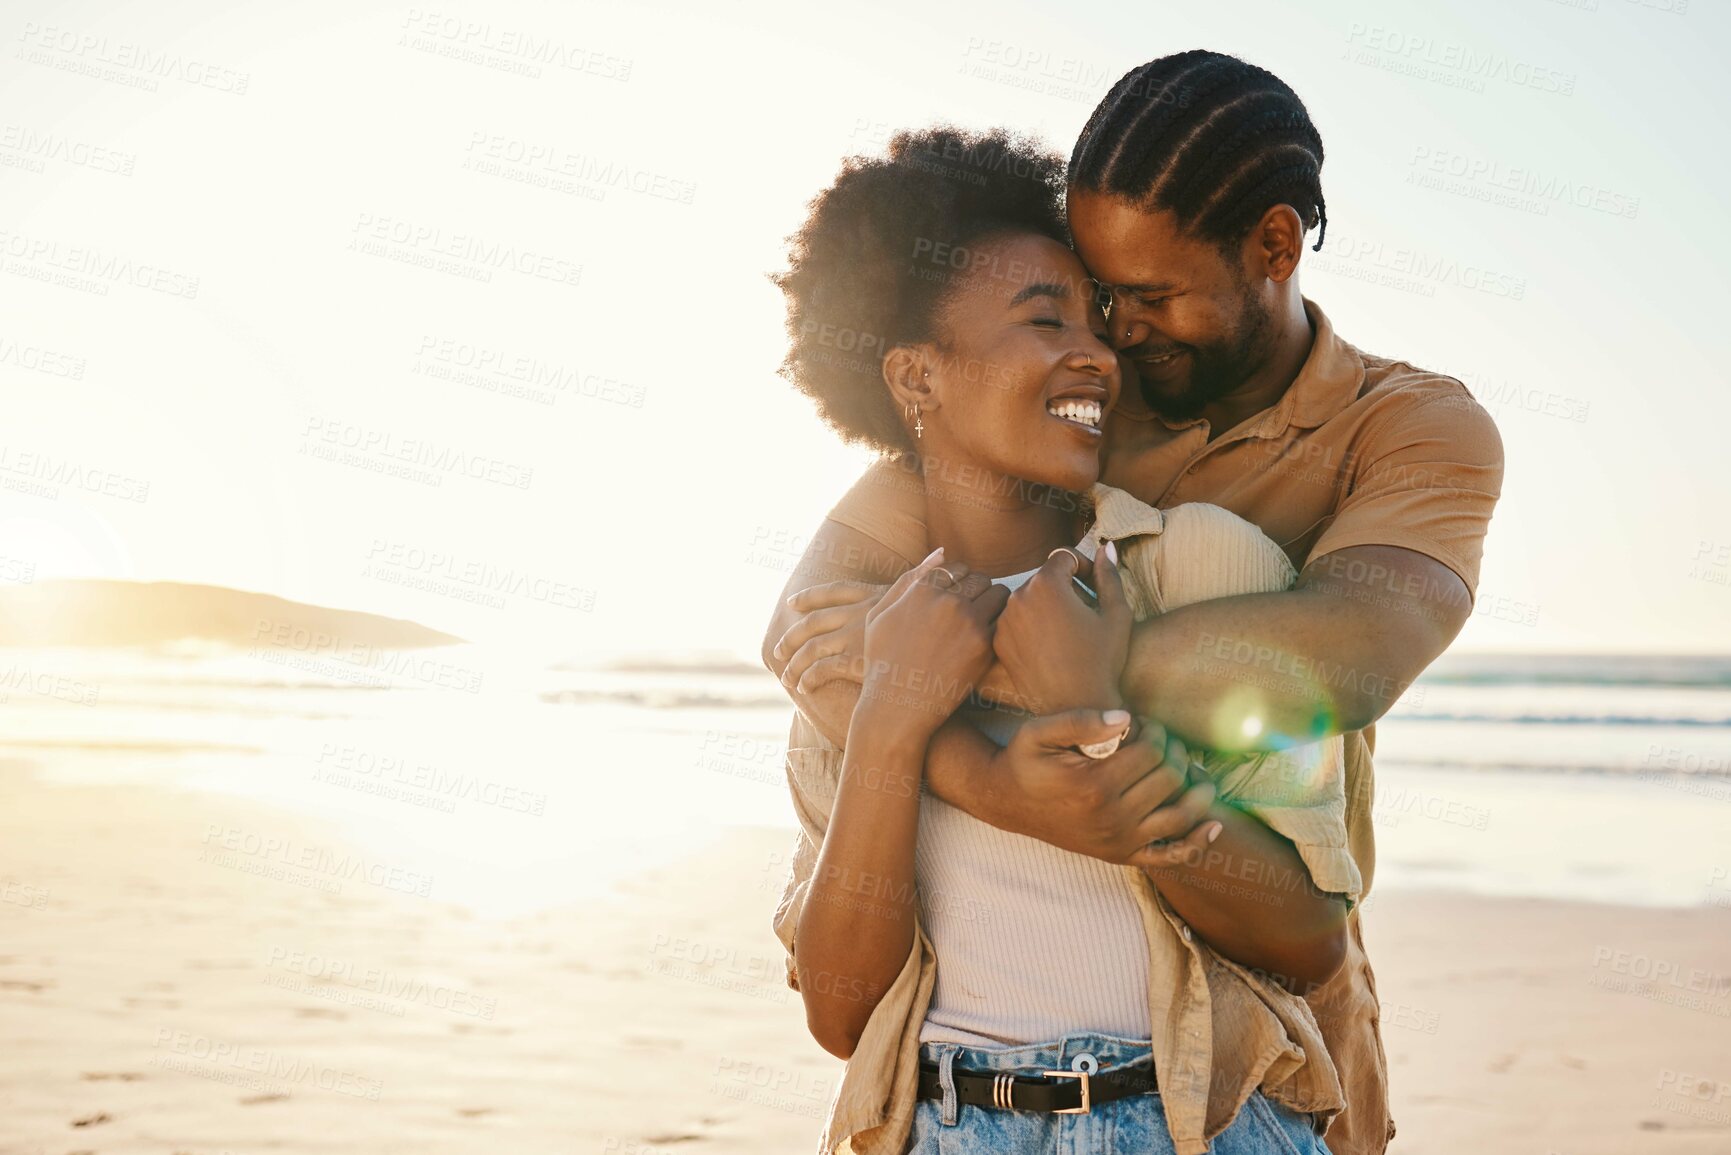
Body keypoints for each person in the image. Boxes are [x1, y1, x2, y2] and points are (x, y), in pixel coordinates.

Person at [765, 51, 1505, 1155]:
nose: (1114, 334)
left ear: (1273, 247)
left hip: (1247, 1044)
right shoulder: (1057, 413)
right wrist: (990, 775)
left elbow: (1348, 657)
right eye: (1095, 296)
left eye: (1149, 296)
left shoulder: (1408, 428)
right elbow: (811, 620)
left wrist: (1057, 686)